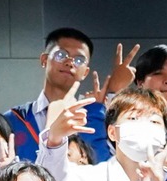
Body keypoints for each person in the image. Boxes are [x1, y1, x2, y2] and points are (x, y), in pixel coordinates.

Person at [7, 28, 113, 164]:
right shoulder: (13, 119)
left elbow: (103, 166)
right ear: (44, 60)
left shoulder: (93, 118)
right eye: (61, 55)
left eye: (79, 60)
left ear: (85, 72)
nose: (69, 62)